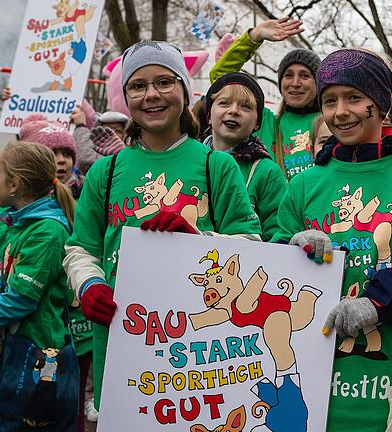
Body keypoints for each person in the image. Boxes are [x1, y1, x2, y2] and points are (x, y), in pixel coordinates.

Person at [63, 40, 262, 410]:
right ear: (125, 97)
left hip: (202, 352)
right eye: (138, 86)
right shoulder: (105, 172)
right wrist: (89, 284)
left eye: (164, 82)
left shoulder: (216, 165)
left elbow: (250, 244)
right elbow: (80, 248)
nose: (151, 95)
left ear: (184, 91)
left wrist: (199, 240)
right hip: (123, 341)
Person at [273, 48, 392, 431]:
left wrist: (379, 301)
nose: (340, 112)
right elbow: (269, 272)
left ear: (380, 103)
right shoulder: (304, 183)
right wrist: (290, 248)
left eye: (353, 98)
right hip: (310, 397)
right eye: (329, 101)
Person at [0, 141, 79, 431]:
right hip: (14, 349)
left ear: (13, 184)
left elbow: (21, 299)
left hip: (37, 354)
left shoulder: (47, 231)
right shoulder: (14, 223)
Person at [211, 17, 322, 180]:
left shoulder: (331, 122)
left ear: (318, 83)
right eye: (288, 76)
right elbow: (220, 77)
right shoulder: (265, 122)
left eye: (305, 76)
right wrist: (254, 36)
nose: (295, 83)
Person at [203, 71, 288, 241]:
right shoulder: (191, 161)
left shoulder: (268, 172)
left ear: (257, 122)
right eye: (224, 103)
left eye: (245, 106)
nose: (234, 111)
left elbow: (279, 236)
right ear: (209, 116)